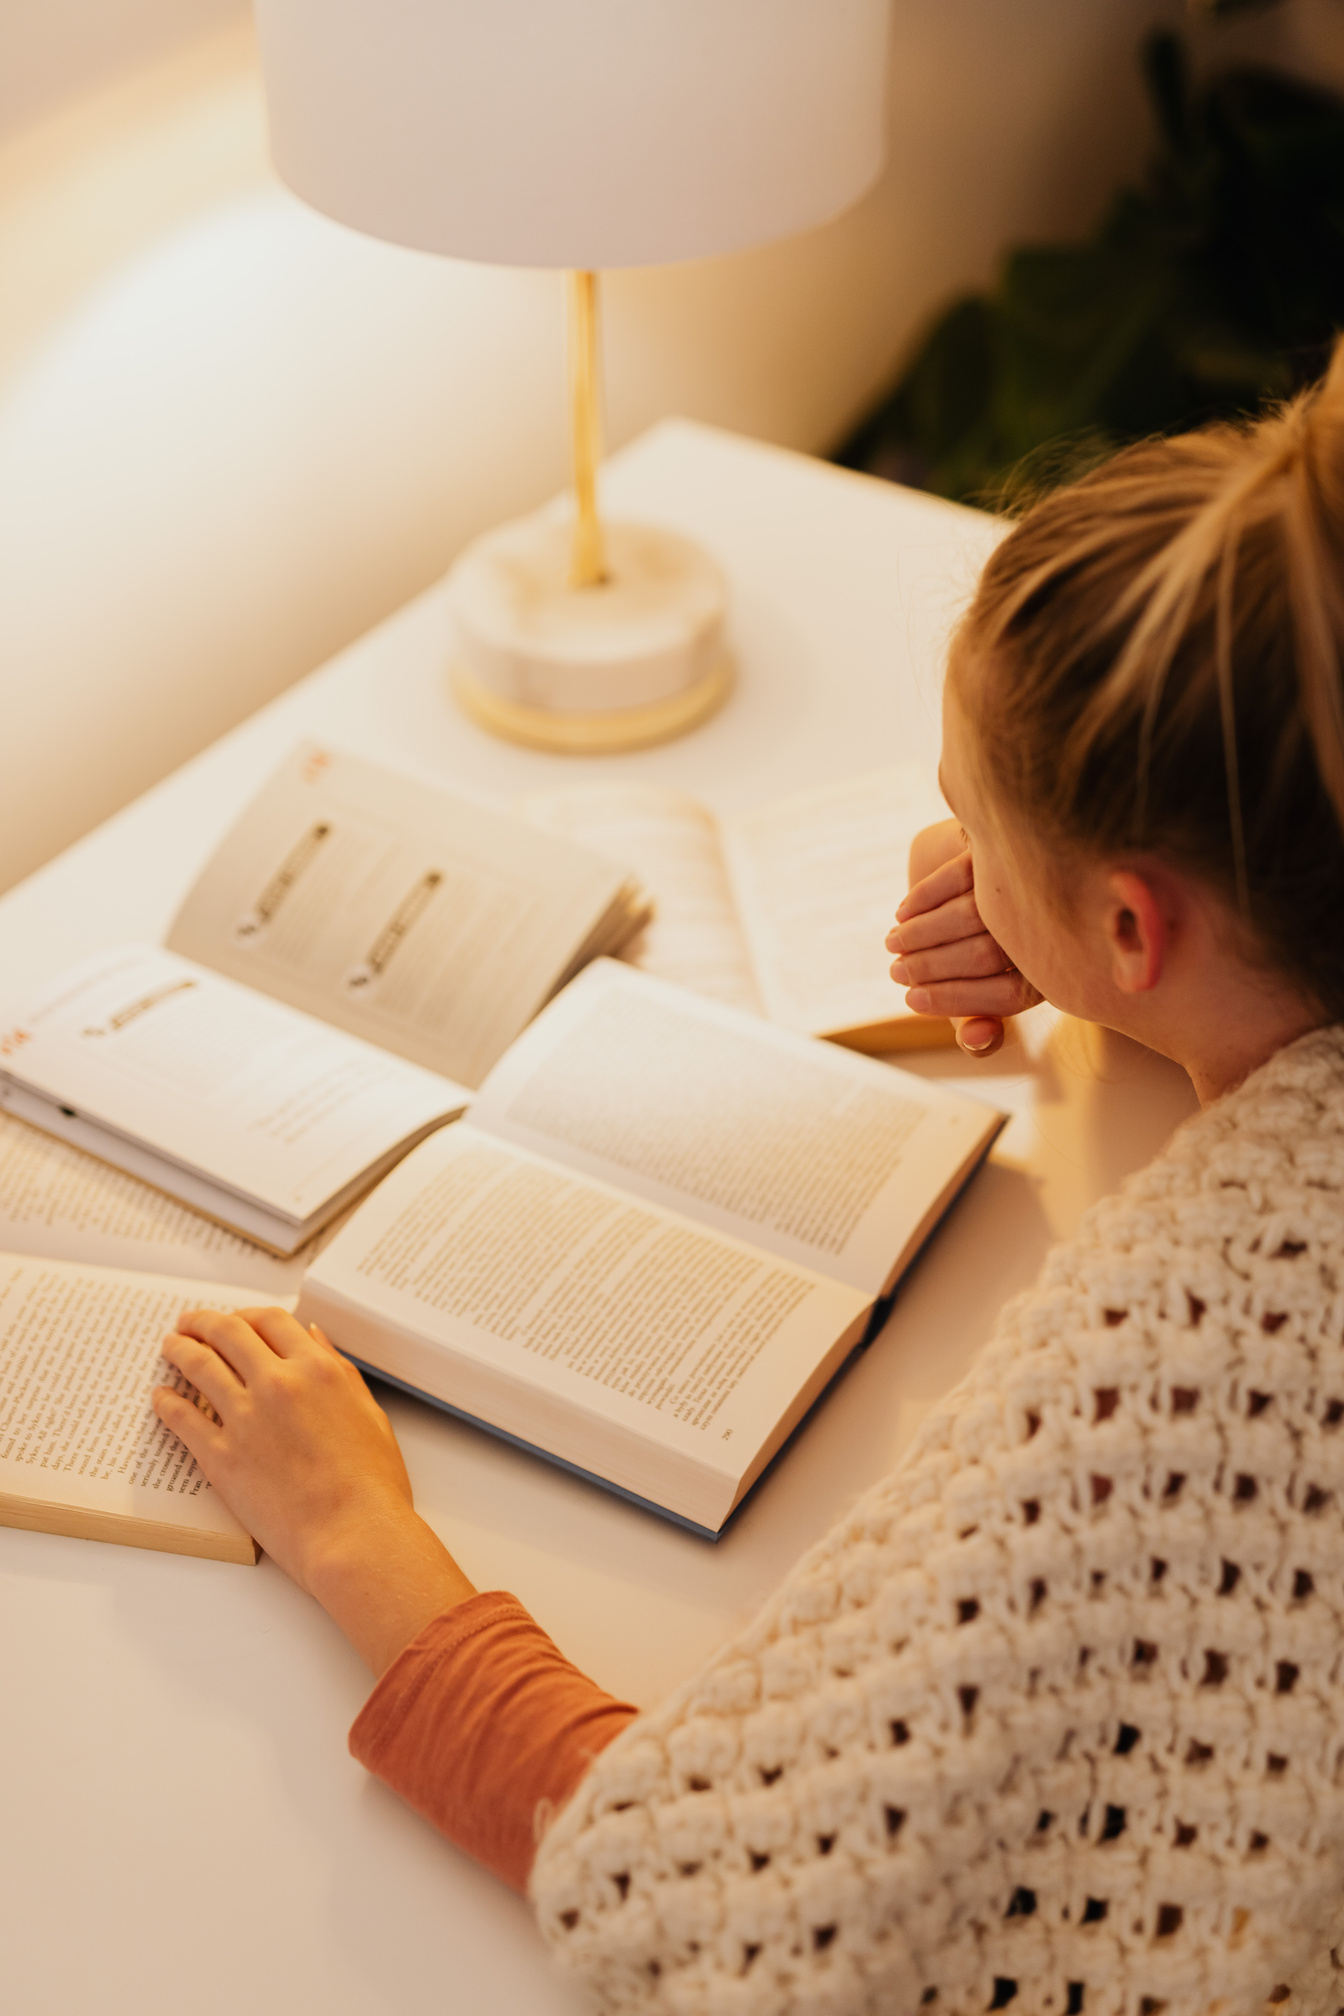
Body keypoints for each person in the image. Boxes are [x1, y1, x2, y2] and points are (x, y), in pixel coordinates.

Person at [152, 346, 1344, 2016]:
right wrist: (1073, 941)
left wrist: (352, 1529)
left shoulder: (1206, 1351)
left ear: (1140, 921)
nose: (949, 855)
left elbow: (726, 1910)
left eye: (967, 818)